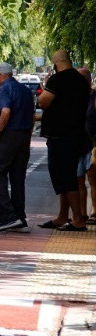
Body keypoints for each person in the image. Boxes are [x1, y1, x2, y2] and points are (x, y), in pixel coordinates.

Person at [37, 50, 91, 231]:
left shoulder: (57, 80)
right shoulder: (80, 80)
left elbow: (43, 102)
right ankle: (62, 215)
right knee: (66, 175)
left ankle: (77, 219)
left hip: (60, 136)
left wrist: (45, 85)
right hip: (76, 134)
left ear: (55, 63)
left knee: (64, 176)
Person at [0, 62, 34, 232]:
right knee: (17, 177)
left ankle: (8, 217)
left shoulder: (5, 89)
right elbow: (32, 116)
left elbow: (5, 112)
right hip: (23, 136)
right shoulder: (25, 90)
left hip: (8, 135)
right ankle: (20, 217)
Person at [75, 68, 96, 224]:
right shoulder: (74, 97)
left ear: (89, 80)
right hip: (77, 144)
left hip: (91, 144)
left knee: (93, 178)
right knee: (79, 179)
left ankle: (95, 211)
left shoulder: (94, 97)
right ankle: (82, 214)